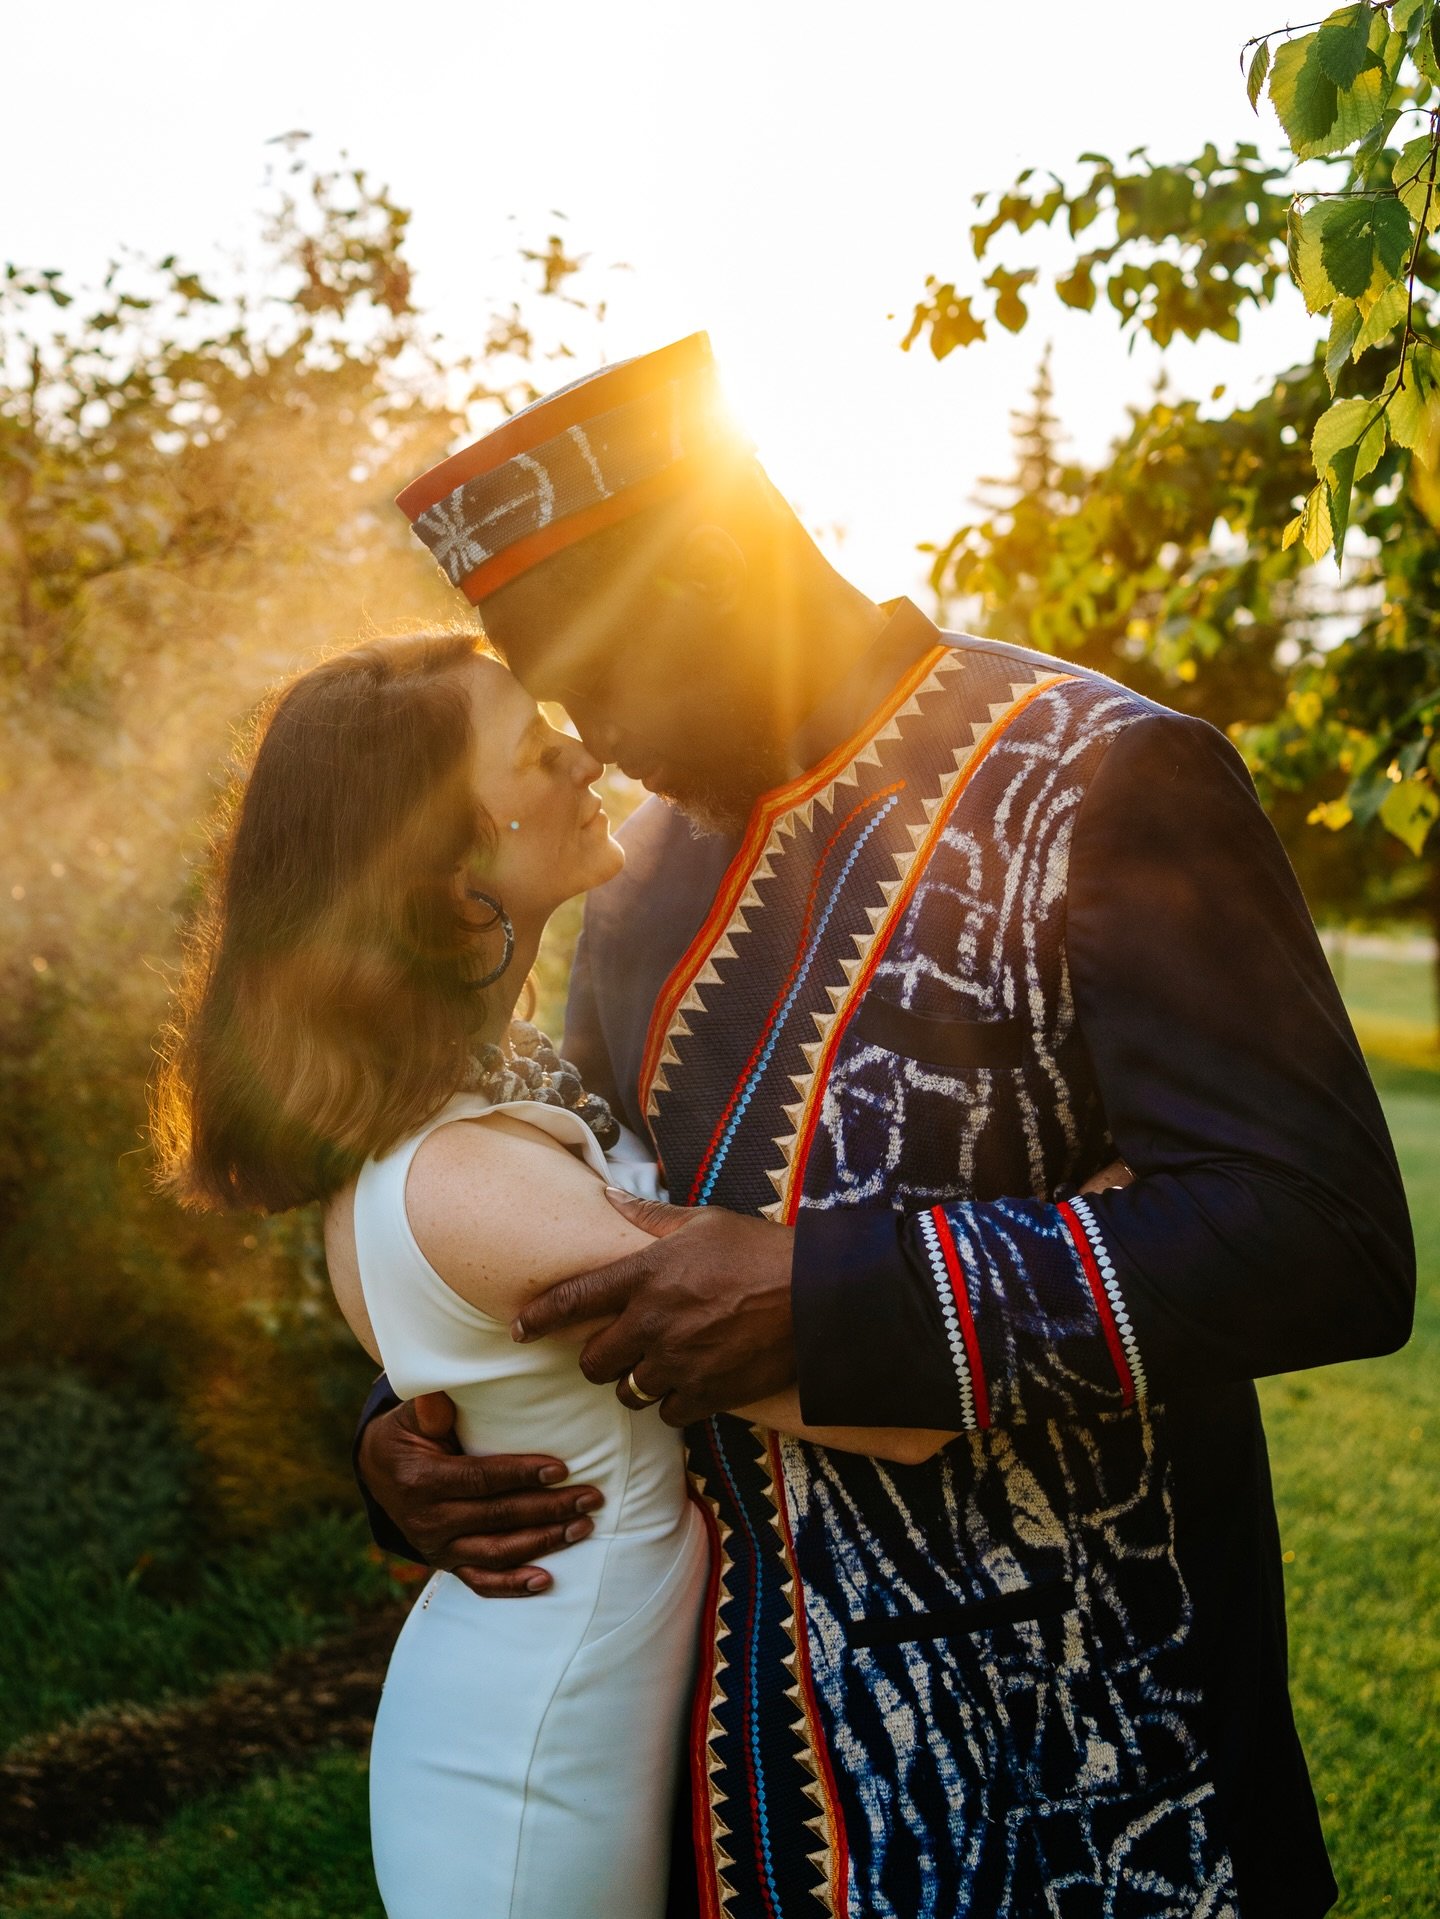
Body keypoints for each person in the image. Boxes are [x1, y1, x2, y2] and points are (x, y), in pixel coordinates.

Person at [357, 333, 1415, 1917]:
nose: (592, 737)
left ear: (717, 561)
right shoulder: (636, 877)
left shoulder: (1105, 779)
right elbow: (548, 1200)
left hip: (1100, 1798)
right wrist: (402, 1446)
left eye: (604, 673)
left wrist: (834, 1296)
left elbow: (1320, 1232)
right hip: (736, 1812)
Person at [152, 628, 969, 1919]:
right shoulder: (470, 1177)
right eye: (538, 751)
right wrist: (1109, 1198)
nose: (586, 752)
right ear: (447, 870)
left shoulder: (493, 1082)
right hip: (536, 1767)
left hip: (591, 1702)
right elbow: (893, 1405)